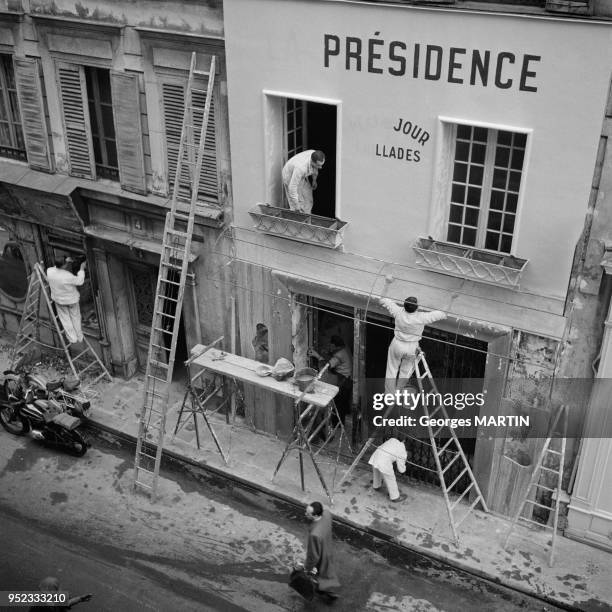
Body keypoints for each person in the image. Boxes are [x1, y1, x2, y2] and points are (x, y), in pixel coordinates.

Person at [379, 295, 446, 391]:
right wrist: (452, 298)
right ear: (417, 307)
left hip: (397, 344)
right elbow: (442, 314)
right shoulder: (422, 317)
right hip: (411, 347)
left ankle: (389, 395)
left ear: (404, 305)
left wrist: (387, 283)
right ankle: (399, 392)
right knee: (405, 372)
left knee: (391, 370)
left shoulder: (398, 311)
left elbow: (383, 300)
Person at [308, 335, 352, 426]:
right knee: (344, 402)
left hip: (343, 380)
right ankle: (343, 417)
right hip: (349, 378)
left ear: (335, 345)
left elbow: (326, 366)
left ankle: (337, 424)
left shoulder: (339, 355)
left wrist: (317, 356)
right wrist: (327, 352)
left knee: (339, 403)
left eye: (331, 345)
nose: (329, 347)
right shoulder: (345, 348)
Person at [302, 501, 340, 602]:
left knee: (320, 575)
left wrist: (308, 568)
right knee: (326, 573)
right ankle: (325, 591)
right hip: (328, 548)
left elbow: (313, 556)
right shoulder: (326, 514)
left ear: (315, 515)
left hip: (321, 556)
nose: (305, 514)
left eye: (307, 513)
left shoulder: (314, 534)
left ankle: (328, 593)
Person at [46, 256, 87, 345]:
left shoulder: (49, 271)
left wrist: (65, 261)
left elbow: (54, 268)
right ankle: (79, 337)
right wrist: (82, 268)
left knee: (65, 320)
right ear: (64, 265)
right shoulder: (67, 275)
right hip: (72, 300)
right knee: (76, 318)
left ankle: (72, 338)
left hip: (59, 300)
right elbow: (80, 281)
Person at [282, 149, 325, 213]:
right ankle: (299, 217)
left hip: (302, 175)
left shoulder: (314, 153)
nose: (321, 167)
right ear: (312, 162)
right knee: (299, 204)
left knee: (308, 200)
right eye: (319, 165)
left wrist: (314, 180)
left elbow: (315, 169)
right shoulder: (301, 168)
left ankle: (307, 216)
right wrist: (296, 206)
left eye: (322, 165)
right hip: (290, 176)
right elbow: (292, 188)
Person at [368, 437, 408, 503]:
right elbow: (401, 470)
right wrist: (405, 460)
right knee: (390, 478)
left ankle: (376, 486)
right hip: (384, 461)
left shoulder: (392, 439)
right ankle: (395, 497)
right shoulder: (403, 451)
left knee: (377, 471)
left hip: (375, 455)